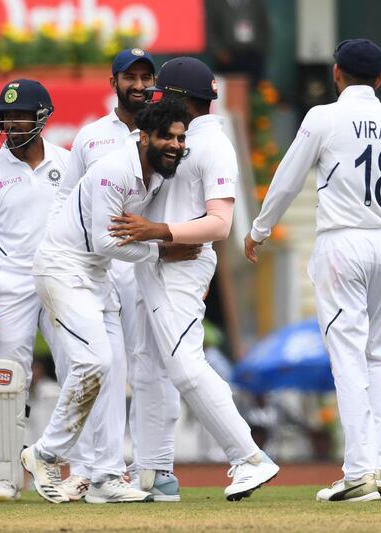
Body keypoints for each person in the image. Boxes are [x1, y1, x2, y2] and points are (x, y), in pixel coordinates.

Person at [244, 39, 381, 502]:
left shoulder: (323, 118)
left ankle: (360, 472)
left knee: (346, 355)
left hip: (342, 242)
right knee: (374, 357)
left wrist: (260, 230)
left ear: (336, 74)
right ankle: (379, 467)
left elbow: (287, 178)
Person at [107, 57, 280, 501]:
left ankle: (249, 457)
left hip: (181, 264)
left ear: (182, 98)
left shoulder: (213, 144)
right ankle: (153, 473)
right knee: (146, 367)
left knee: (185, 367)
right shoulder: (178, 139)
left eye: (163, 93)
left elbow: (221, 225)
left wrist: (161, 232)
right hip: (155, 260)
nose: (155, 99)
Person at [22, 97, 199, 505]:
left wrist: (156, 236)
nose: (175, 144)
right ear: (144, 137)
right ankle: (45, 453)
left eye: (180, 137)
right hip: (63, 269)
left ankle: (105, 478)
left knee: (113, 372)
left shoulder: (156, 173)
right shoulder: (112, 171)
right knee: (94, 362)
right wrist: (161, 247)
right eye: (167, 137)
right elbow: (106, 239)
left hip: (95, 275)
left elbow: (115, 242)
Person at [51, 47, 181, 502]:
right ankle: (92, 470)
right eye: (132, 77)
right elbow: (66, 201)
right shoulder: (90, 138)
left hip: (146, 267)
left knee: (150, 367)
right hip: (104, 266)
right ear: (115, 83)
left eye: (148, 76)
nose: (141, 85)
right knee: (96, 367)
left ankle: (154, 467)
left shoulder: (169, 137)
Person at [0, 79, 71, 502]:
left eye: (19, 115)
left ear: (41, 117)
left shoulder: (68, 162)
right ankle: (5, 476)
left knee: (78, 369)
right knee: (8, 379)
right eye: (4, 117)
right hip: (10, 282)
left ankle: (69, 469)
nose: (10, 124)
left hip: (61, 275)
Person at [205, 0, 271, 87]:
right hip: (228, 56)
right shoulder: (216, 3)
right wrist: (219, 52)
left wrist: (262, 51)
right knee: (231, 91)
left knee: (254, 89)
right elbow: (210, 31)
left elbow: (265, 27)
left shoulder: (256, 3)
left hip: (253, 54)